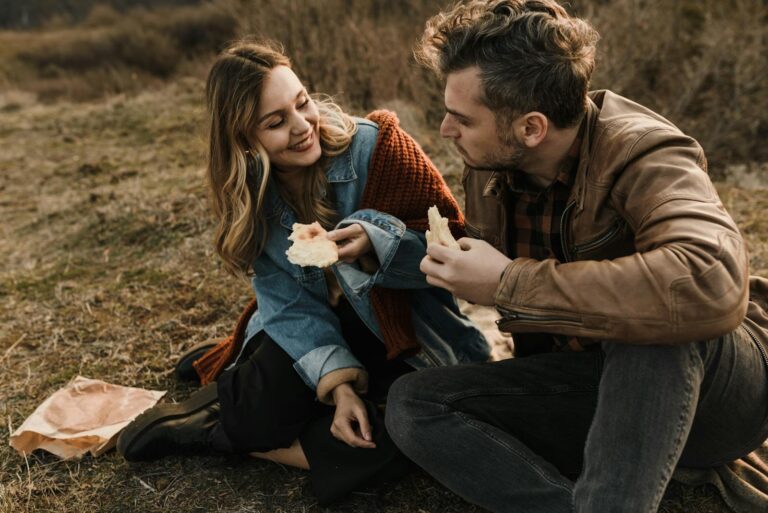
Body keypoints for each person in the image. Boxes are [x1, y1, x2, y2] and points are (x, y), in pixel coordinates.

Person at [384, 1, 768, 512]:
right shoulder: (490, 164)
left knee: (649, 319)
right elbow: (477, 258)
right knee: (415, 404)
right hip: (591, 385)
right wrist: (383, 249)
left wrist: (508, 285)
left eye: (461, 119)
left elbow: (707, 278)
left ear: (531, 128)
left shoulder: (647, 154)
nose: (446, 131)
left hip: (723, 398)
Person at [116, 39, 490, 505]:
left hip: (406, 334)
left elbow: (453, 246)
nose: (301, 126)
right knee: (262, 414)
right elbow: (288, 301)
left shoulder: (380, 148)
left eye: (302, 103)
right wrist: (340, 388)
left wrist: (375, 245)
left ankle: (217, 425)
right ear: (243, 141)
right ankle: (225, 408)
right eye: (275, 122)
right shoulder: (253, 197)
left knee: (407, 439)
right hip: (316, 324)